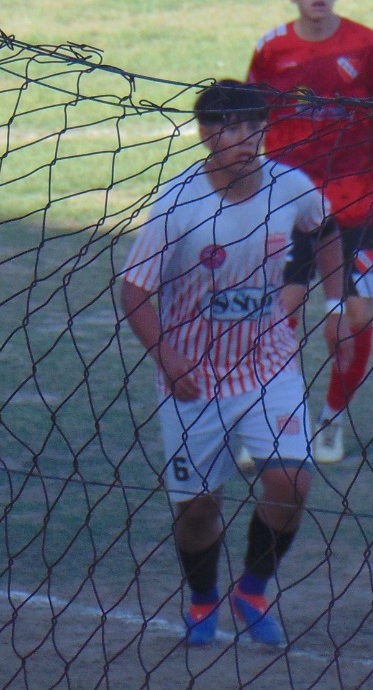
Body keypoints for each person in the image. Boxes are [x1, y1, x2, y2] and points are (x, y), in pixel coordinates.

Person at [120, 80, 349, 646]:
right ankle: (203, 600)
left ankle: (252, 589)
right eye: (230, 127)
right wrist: (167, 357)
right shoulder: (177, 207)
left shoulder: (288, 184)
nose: (244, 139)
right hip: (194, 380)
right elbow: (134, 292)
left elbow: (325, 229)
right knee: (199, 508)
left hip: (268, 364)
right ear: (206, 135)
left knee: (291, 481)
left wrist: (336, 303)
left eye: (253, 126)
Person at [246, 0, 373, 465]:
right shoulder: (272, 51)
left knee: (353, 320)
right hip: (288, 208)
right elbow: (247, 125)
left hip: (355, 206)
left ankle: (332, 422)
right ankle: (270, 425)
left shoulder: (365, 46)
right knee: (277, 320)